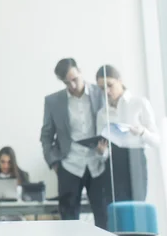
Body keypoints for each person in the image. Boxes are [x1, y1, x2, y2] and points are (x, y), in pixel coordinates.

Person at [40, 58, 109, 229]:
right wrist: (54, 162)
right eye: (66, 82)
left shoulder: (99, 93)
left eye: (74, 79)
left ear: (80, 70)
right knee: (69, 220)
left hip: (97, 162)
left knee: (103, 215)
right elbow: (46, 135)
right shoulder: (53, 101)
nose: (72, 85)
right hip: (69, 164)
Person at [95, 65, 159, 202]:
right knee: (115, 209)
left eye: (110, 85)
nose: (106, 91)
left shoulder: (139, 103)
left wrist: (142, 132)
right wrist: (101, 152)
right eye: (102, 88)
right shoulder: (102, 114)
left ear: (120, 80)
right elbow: (103, 152)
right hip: (113, 164)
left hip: (135, 158)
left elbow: (157, 141)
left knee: (137, 207)